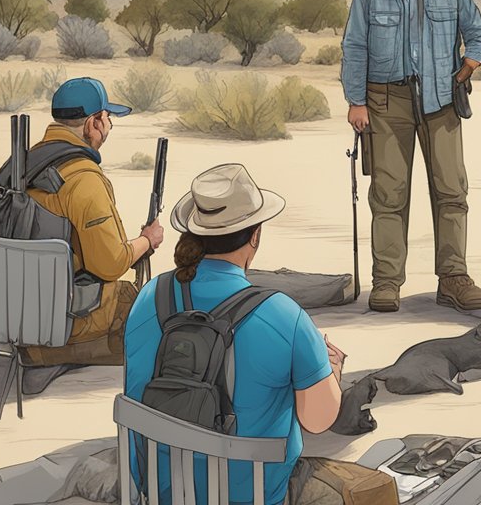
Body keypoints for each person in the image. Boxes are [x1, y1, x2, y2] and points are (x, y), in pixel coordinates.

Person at [123, 164, 344, 505]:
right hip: (252, 495)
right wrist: (331, 372)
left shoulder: (150, 296)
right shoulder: (283, 315)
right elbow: (319, 420)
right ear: (255, 234)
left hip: (160, 491)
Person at [341, 0, 481, 314]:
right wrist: (356, 100)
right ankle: (387, 283)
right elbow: (354, 45)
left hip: (441, 101)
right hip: (384, 101)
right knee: (388, 194)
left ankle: (453, 278)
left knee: (451, 191)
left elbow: (478, 36)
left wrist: (465, 71)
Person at [19, 77, 164, 394]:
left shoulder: (23, 164)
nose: (108, 125)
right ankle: (53, 355)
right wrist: (147, 240)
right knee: (157, 310)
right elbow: (111, 264)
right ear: (94, 122)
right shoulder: (83, 178)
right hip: (66, 317)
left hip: (18, 311)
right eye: (108, 118)